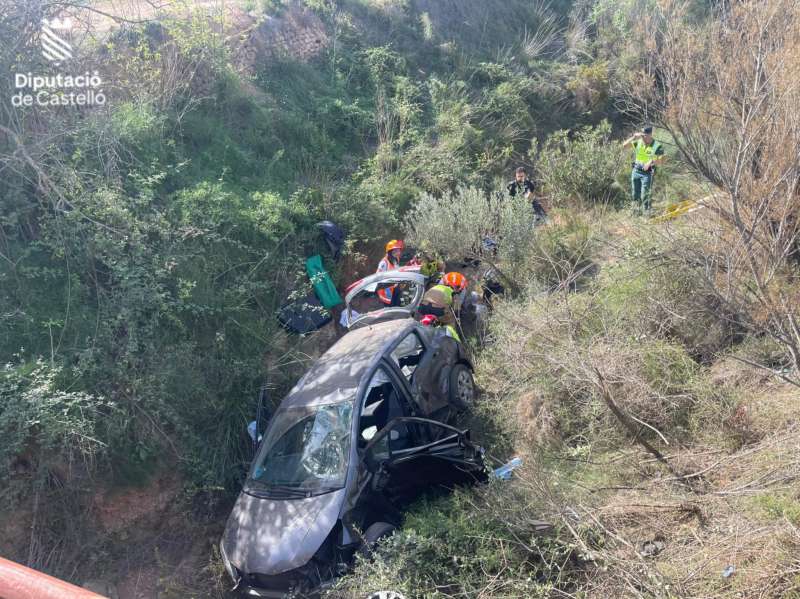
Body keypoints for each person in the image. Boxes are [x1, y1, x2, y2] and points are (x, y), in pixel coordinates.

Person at [622, 126, 665, 215]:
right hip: (636, 171)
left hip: (648, 173)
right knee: (635, 193)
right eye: (642, 135)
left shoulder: (657, 146)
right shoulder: (639, 142)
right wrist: (634, 137)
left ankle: (647, 212)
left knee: (645, 193)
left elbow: (662, 160)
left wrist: (651, 161)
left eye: (644, 136)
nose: (643, 137)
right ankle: (636, 211)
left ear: (650, 135)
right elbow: (624, 146)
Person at [376, 239, 404, 305]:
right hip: (387, 292)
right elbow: (378, 277)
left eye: (399, 250)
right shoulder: (384, 262)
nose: (398, 252)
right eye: (396, 250)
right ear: (390, 251)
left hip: (395, 288)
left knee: (398, 307)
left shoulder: (396, 259)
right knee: (390, 310)